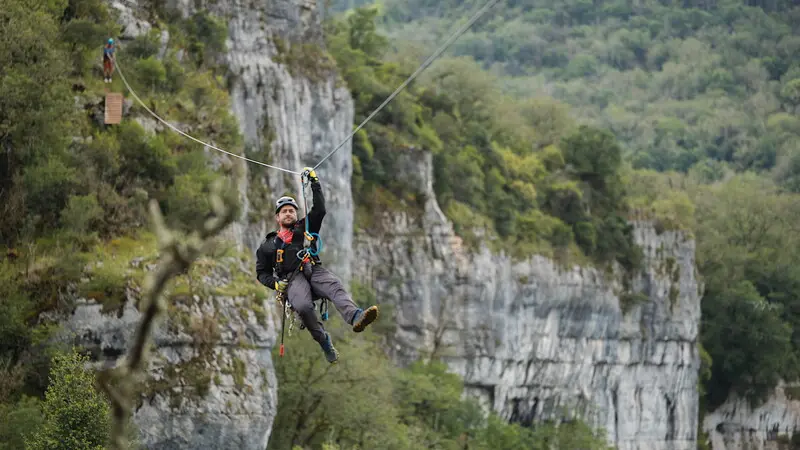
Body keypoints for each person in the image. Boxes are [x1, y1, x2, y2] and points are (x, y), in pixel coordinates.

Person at [255, 167, 379, 363]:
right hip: (291, 279)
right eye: (284, 211)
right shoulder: (268, 246)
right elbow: (261, 273)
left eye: (291, 211)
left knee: (334, 286)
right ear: (277, 218)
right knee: (303, 306)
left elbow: (320, 209)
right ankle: (324, 340)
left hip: (312, 269)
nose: (288, 214)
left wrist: (315, 182)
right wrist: (276, 284)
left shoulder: (305, 227)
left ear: (296, 214)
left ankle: (356, 317)